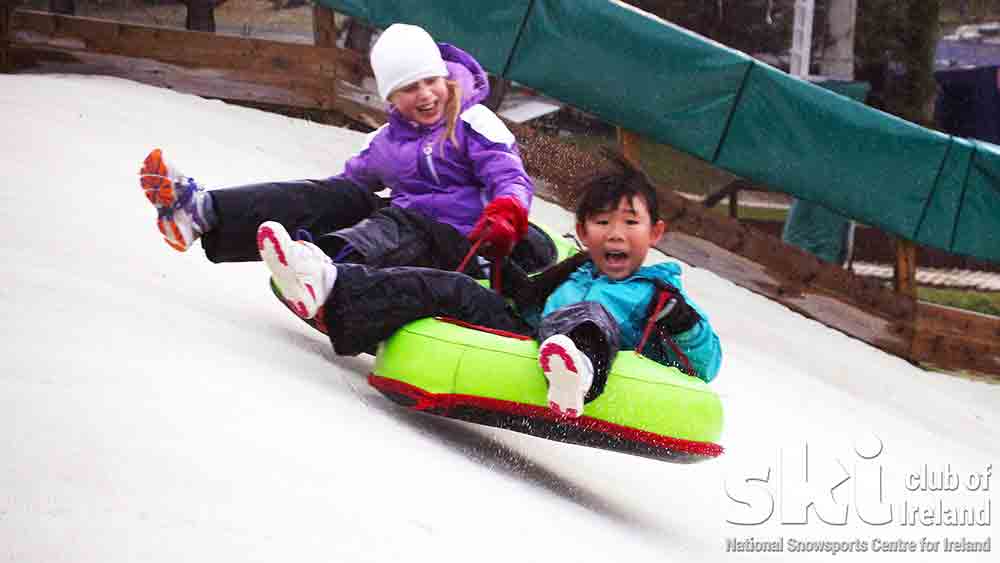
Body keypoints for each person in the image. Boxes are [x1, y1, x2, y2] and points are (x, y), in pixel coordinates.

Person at [257, 150, 722, 418]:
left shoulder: (658, 292)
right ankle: (333, 286)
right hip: (528, 333)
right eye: (601, 222)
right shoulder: (573, 269)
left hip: (586, 351)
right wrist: (500, 267)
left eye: (630, 223)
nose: (615, 234)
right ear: (582, 232)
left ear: (655, 233)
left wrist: (683, 323)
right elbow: (526, 299)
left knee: (590, 316)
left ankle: (574, 370)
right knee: (449, 286)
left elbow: (707, 363)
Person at [137, 23, 533, 273]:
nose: (426, 95)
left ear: (445, 78)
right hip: (406, 227)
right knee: (337, 194)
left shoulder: (472, 120)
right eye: (410, 88)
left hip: (462, 243)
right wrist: (315, 207)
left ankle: (322, 268)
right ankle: (203, 212)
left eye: (431, 81)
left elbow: (509, 176)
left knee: (394, 226)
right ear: (391, 98)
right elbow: (341, 190)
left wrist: (508, 212)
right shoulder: (385, 143)